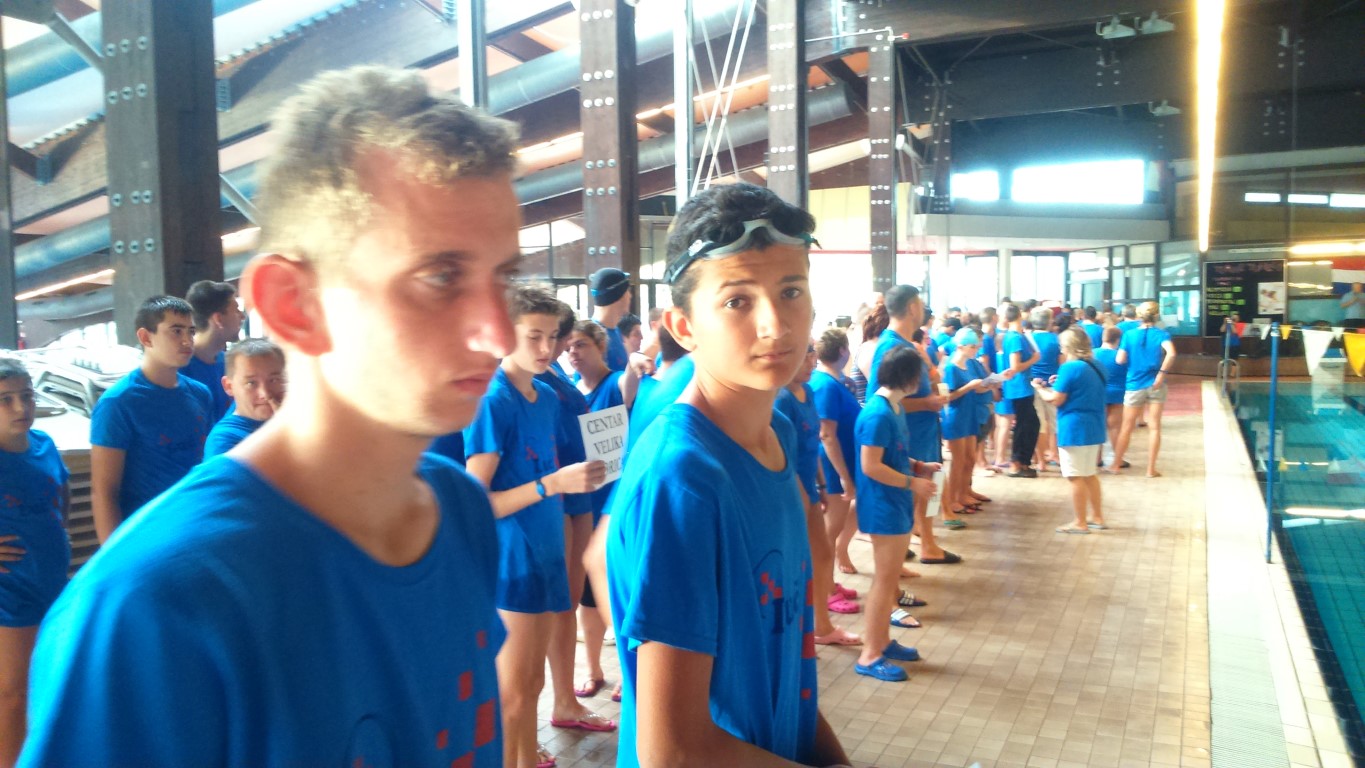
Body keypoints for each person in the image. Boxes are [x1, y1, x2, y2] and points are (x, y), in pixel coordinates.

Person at [22, 66, 520, 765]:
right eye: (441, 277)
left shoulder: (459, 512)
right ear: (294, 305)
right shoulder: (157, 604)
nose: (499, 333)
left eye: (505, 277)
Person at [606, 182, 850, 766]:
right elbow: (672, 751)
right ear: (684, 327)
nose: (776, 325)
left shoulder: (778, 434)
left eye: (791, 291)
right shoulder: (684, 479)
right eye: (738, 301)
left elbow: (783, 666)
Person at [465, 285, 611, 768]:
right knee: (513, 691)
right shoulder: (493, 400)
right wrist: (553, 483)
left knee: (531, 684)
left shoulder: (545, 396)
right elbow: (475, 503)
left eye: (552, 336)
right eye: (534, 336)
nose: (547, 348)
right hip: (513, 560)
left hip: (546, 551)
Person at [533, 298, 613, 733]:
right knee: (546, 609)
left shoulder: (554, 380)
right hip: (556, 495)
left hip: (579, 493)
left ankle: (565, 699)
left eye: (556, 337)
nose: (556, 347)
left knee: (566, 603)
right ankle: (545, 712)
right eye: (541, 336)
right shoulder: (522, 385)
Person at [88, 295, 213, 543]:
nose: (187, 340)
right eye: (176, 331)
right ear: (146, 337)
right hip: (144, 535)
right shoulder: (119, 402)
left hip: (193, 527)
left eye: (191, 331)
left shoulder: (200, 394)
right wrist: (114, 555)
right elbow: (104, 491)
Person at [853, 346, 939, 682]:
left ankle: (883, 643)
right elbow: (870, 466)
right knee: (884, 582)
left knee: (889, 581)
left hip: (895, 502)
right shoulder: (878, 415)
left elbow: (894, 456)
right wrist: (912, 482)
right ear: (909, 377)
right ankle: (869, 654)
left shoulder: (894, 407)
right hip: (883, 506)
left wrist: (918, 466)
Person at [0, 359, 69, 766]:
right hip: (11, 590)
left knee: (47, 682)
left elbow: (62, 495)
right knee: (13, 693)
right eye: (5, 400)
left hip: (52, 583)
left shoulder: (44, 445)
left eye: (26, 396)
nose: (20, 407)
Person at [776, 345, 861, 652]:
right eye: (804, 356)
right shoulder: (781, 400)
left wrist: (822, 485)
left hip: (809, 488)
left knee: (822, 553)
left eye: (812, 355)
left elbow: (815, 443)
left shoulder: (808, 392)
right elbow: (782, 456)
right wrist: (802, 496)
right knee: (798, 560)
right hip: (790, 491)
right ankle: (800, 630)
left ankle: (820, 626)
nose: (811, 362)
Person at [867, 286, 957, 564]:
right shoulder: (891, 346)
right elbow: (878, 399)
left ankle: (926, 541)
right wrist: (926, 403)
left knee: (929, 488)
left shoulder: (907, 345)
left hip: (921, 432)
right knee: (915, 492)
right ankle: (921, 545)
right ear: (911, 308)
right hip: (910, 435)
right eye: (920, 304)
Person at [1034, 328, 1108, 533]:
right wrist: (1059, 382)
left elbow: (1056, 399)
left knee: (1075, 476)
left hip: (1074, 426)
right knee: (1090, 474)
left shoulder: (1070, 367)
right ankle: (1097, 517)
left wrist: (1040, 389)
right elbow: (1082, 387)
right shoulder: (1097, 365)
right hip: (1094, 425)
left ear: (1068, 347)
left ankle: (1080, 522)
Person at [810, 329, 863, 603]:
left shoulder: (833, 382)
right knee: (830, 532)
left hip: (838, 464)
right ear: (843, 351)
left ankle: (828, 584)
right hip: (833, 468)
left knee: (834, 528)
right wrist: (844, 477)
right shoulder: (826, 386)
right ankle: (824, 592)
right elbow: (826, 434)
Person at [1109, 301, 1177, 478]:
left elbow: (1120, 360)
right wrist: (1161, 374)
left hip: (1134, 384)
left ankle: (1116, 465)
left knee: (1126, 427)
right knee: (1154, 427)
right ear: (1156, 315)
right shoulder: (1162, 334)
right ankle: (1150, 469)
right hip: (1156, 384)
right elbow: (1171, 353)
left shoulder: (1129, 335)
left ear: (1140, 315)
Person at [202, 338, 287, 459]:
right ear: (229, 386)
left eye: (273, 380)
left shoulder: (290, 419)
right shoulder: (223, 441)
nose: (265, 393)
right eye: (251, 383)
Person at [940, 330, 988, 521]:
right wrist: (969, 387)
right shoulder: (951, 368)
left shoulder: (967, 364)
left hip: (969, 414)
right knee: (958, 461)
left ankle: (962, 493)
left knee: (969, 459)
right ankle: (952, 499)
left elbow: (976, 389)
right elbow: (948, 397)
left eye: (977, 346)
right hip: (956, 417)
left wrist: (990, 384)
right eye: (973, 346)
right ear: (960, 347)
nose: (976, 350)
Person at [183, 280, 245, 422]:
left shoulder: (230, 363)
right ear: (218, 319)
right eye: (236, 310)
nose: (242, 316)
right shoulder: (178, 369)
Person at [1028, 307, 1064, 470]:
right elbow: (1062, 363)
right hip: (1052, 384)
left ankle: (1040, 460)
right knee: (1056, 422)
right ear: (1049, 321)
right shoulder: (1055, 340)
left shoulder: (1028, 339)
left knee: (1039, 424)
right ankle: (1055, 454)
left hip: (1033, 384)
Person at [1093, 327, 1129, 467]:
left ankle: (1097, 458)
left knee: (1099, 425)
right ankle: (1117, 458)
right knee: (1114, 427)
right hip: (1117, 392)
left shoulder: (1092, 354)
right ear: (1118, 339)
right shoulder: (1121, 356)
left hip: (1098, 392)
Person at [589, 268, 634, 371]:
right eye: (628, 291)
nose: (630, 296)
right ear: (620, 296)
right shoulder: (591, 337)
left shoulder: (615, 331)